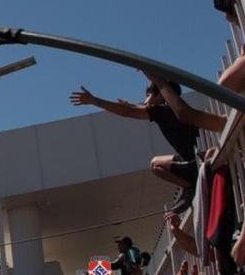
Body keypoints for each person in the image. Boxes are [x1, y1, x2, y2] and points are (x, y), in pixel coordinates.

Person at [70, 74, 225, 212]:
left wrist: (95, 101)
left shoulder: (161, 111)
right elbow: (133, 108)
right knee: (159, 161)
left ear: (160, 96)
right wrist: (129, 105)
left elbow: (128, 112)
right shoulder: (168, 111)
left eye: (148, 95)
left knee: (155, 164)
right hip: (193, 157)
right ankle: (188, 183)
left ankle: (189, 185)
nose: (145, 100)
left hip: (194, 163)